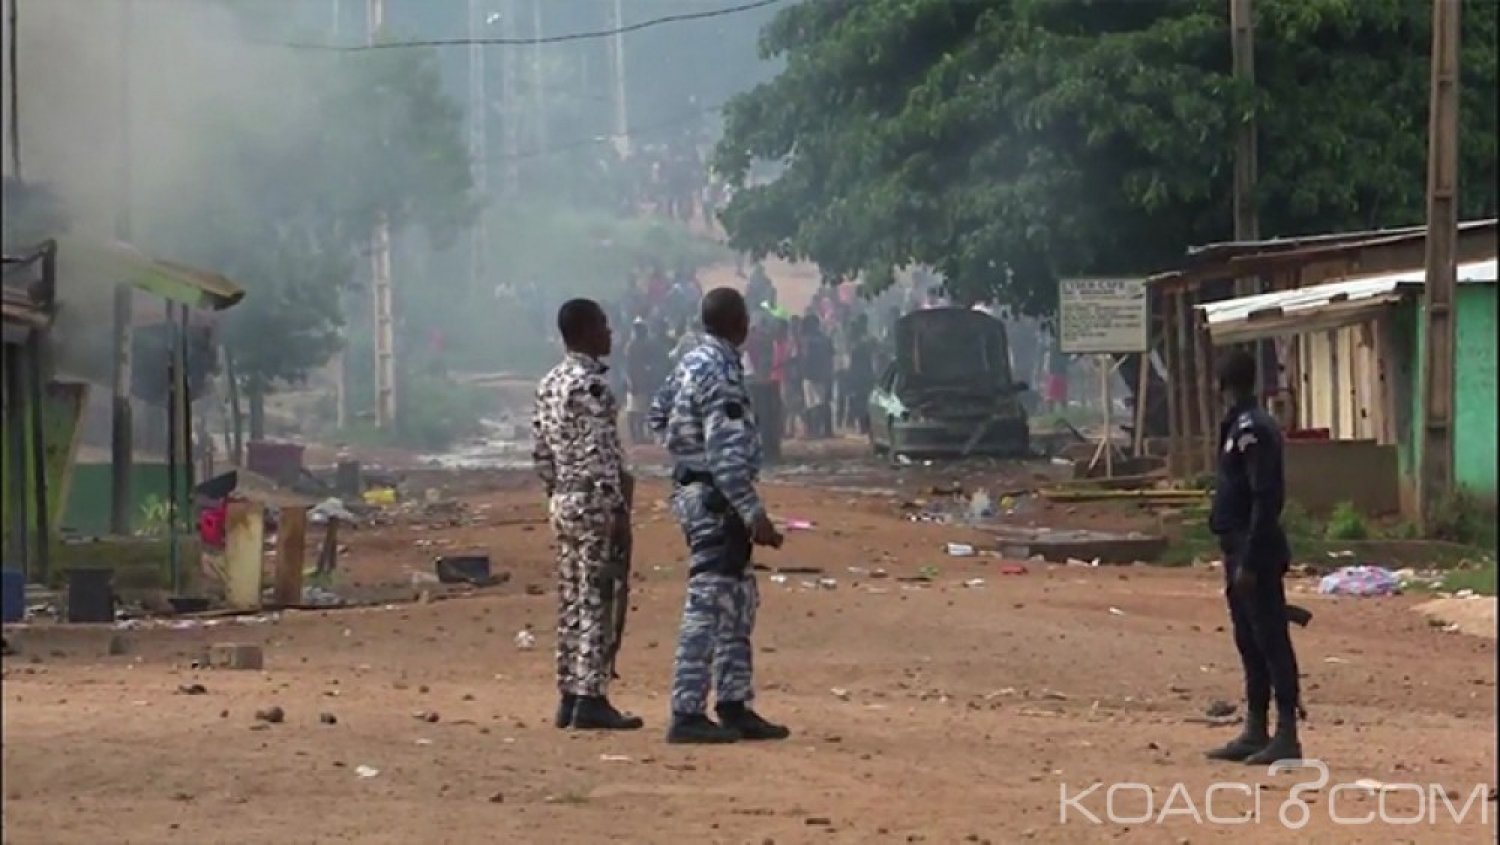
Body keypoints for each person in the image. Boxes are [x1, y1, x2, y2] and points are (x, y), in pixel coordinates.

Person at [648, 287, 790, 745]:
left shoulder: (689, 362)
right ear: (737, 324)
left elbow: (657, 414)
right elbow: (727, 457)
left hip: (696, 489)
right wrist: (755, 515)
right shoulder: (722, 373)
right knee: (708, 604)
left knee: (739, 598)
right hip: (716, 498)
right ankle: (686, 710)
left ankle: (733, 703)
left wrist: (683, 449)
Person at [531, 299, 643, 732]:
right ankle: (592, 696)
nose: (610, 333)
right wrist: (616, 507)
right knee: (599, 596)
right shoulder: (592, 387)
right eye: (603, 326)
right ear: (584, 332)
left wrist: (556, 492)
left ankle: (569, 694)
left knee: (572, 597)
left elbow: (541, 453)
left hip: (563, 500)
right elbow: (602, 455)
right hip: (594, 502)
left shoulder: (549, 383)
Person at [1205, 348, 1303, 765]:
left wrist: (1250, 559)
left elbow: (1266, 497)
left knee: (1271, 641)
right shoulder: (1238, 426)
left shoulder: (1252, 430)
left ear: (1222, 386)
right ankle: (1254, 728)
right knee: (1249, 641)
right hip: (1237, 546)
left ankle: (1287, 734)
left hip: (1254, 549)